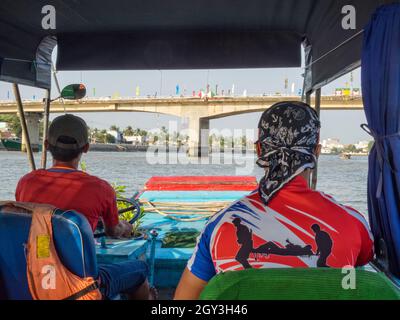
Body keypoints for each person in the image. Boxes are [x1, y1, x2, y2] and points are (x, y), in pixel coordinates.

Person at [174, 101, 374, 300]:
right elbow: (358, 275)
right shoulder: (354, 224)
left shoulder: (219, 227)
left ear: (260, 149)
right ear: (316, 152)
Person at [15, 114, 155, 300]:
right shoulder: (101, 188)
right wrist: (126, 227)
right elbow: (113, 231)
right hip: (81, 286)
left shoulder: (26, 182)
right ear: (86, 148)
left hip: (33, 276)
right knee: (140, 269)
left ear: (47, 145)